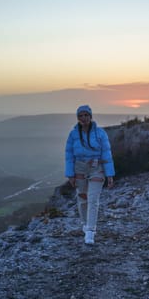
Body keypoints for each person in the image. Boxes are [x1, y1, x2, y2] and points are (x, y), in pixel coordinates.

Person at [65, 105, 115, 244]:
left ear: (91, 116)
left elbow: (107, 153)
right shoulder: (73, 134)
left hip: (96, 167)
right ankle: (85, 223)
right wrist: (70, 174)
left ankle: (90, 231)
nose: (83, 118)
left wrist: (110, 174)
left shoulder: (100, 133)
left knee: (93, 199)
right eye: (80, 116)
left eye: (86, 115)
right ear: (77, 118)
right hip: (79, 168)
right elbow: (69, 155)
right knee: (82, 198)